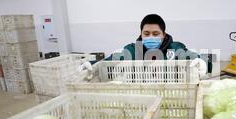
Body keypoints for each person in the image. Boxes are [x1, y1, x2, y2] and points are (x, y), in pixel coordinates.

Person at [80, 14, 209, 77]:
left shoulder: (176, 49)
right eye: (146, 33)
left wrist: (203, 62)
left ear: (163, 34)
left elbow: (198, 58)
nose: (150, 37)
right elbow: (111, 60)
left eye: (155, 33)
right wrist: (93, 64)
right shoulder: (133, 50)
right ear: (141, 34)